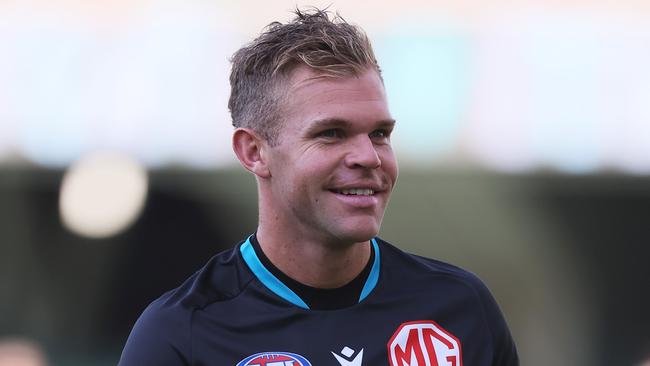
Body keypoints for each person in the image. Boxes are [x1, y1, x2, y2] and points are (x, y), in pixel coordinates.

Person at [118, 8, 519, 366]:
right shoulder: (181, 334)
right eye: (331, 133)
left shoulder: (461, 309)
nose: (369, 156)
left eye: (379, 133)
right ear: (254, 152)